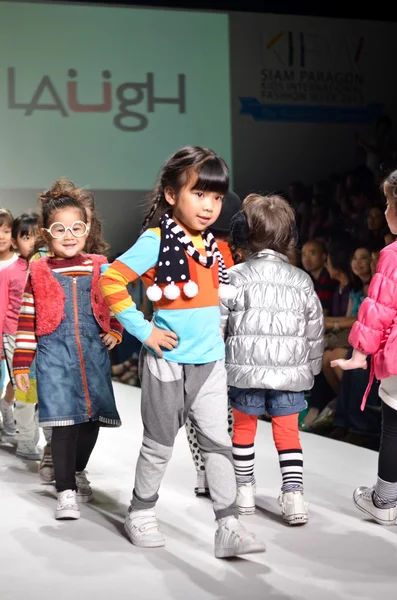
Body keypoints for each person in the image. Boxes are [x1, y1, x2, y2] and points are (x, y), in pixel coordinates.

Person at [99, 146, 265, 558]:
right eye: (199, 194)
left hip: (209, 363)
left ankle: (229, 526)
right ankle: (140, 512)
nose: (209, 206)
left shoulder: (214, 246)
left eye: (216, 197)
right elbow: (111, 279)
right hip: (167, 363)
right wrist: (144, 332)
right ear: (172, 195)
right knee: (159, 445)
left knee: (217, 444)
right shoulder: (156, 239)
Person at [13, 182, 123, 521]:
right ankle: (65, 489)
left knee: (91, 421)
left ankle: (76, 471)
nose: (69, 235)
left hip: (91, 356)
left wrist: (115, 331)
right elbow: (28, 318)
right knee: (64, 423)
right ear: (47, 233)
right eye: (60, 229)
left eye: (76, 228)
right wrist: (21, 365)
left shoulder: (100, 266)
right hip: (54, 357)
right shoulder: (39, 270)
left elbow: (114, 304)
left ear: (87, 230)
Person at [220, 194, 324, 524]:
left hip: (243, 372)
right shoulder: (302, 280)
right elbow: (315, 330)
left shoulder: (235, 276)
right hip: (290, 374)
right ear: (289, 236)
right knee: (288, 433)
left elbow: (218, 325)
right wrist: (313, 367)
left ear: (244, 235)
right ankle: (293, 497)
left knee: (243, 430)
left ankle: (244, 491)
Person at [331, 168, 397, 525]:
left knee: (394, 427)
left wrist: (359, 355)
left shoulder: (393, 254)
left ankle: (385, 502)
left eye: (387, 202)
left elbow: (378, 312)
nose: (384, 210)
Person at [184, 190, 241, 497]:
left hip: (196, 336)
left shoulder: (193, 249)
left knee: (195, 409)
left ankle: (202, 472)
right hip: (231, 338)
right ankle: (225, 471)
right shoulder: (240, 256)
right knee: (226, 409)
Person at [0, 212, 43, 460]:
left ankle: (33, 434)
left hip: (41, 338)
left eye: (37, 236)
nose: (33, 242)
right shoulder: (8, 273)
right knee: (25, 389)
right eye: (26, 237)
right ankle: (26, 440)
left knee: (41, 391)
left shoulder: (44, 269)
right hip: (13, 337)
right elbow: (3, 306)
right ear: (16, 242)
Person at [301, 239, 337, 315]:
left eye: (312, 254)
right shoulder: (310, 279)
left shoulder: (328, 277)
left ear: (323, 256)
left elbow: (323, 312)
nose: (306, 259)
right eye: (304, 255)